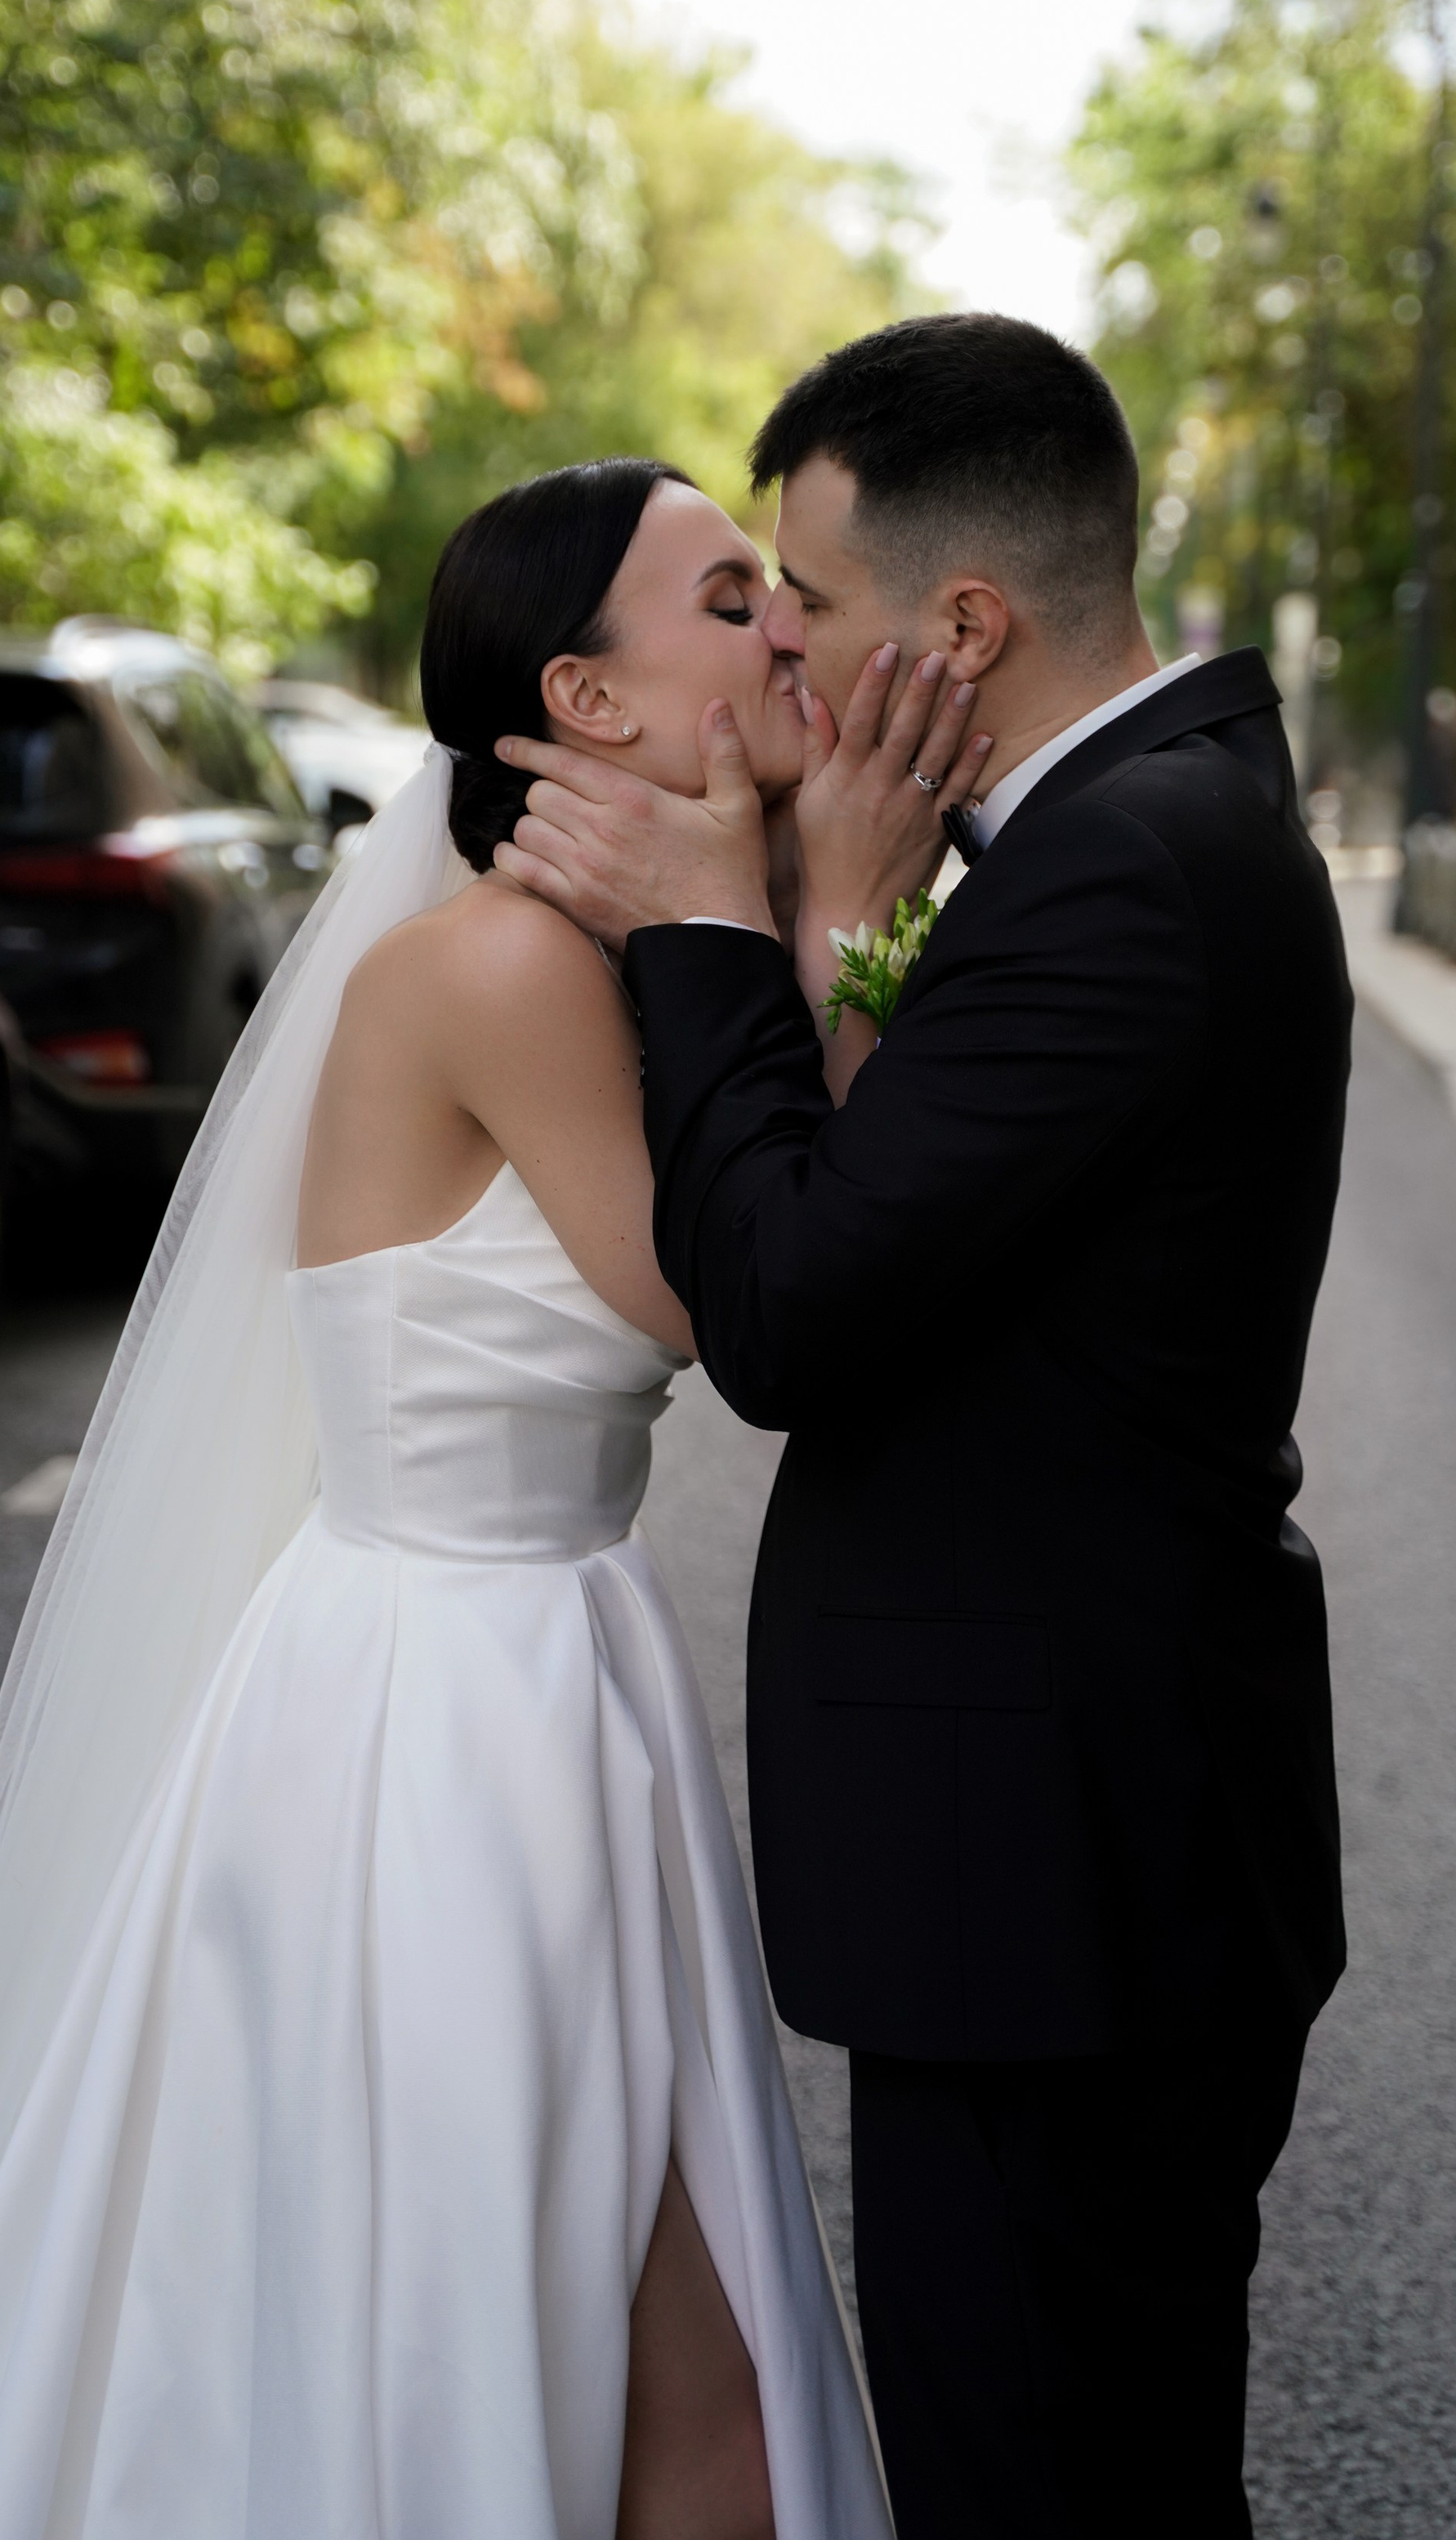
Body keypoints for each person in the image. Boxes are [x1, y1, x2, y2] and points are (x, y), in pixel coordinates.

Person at [0, 461, 943, 2540]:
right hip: (440, 1719)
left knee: (646, 2347)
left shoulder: (618, 949)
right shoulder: (503, 969)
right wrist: (819, 909)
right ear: (581, 693)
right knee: (560, 2349)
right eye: (729, 594)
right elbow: (732, 1295)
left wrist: (756, 920)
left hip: (543, 1669)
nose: (784, 628)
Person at [495, 313, 1354, 2538]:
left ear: (962, 622)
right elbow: (937, 1210)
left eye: (817, 600)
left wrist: (709, 923)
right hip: (1077, 1843)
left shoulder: (1124, 868)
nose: (789, 637)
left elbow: (790, 1298)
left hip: (1060, 1870)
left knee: (1048, 2478)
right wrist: (855, 927)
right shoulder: (1142, 824)